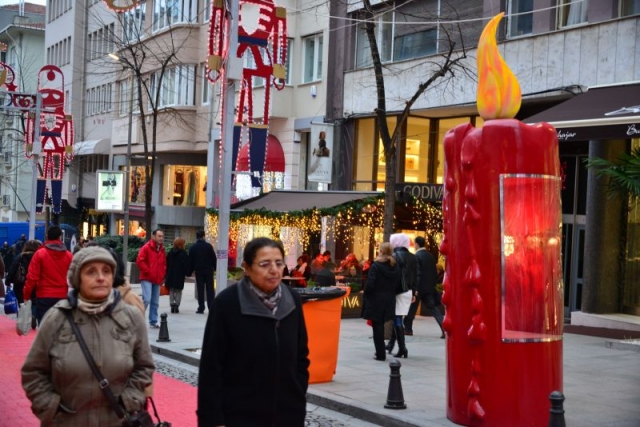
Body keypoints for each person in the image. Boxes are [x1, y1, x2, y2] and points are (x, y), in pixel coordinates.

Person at [21, 246, 154, 425]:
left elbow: (144, 366)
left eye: (106, 271)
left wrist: (130, 400)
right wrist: (51, 408)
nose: (100, 277)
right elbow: (33, 371)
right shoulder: (57, 318)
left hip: (117, 421)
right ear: (78, 278)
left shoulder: (130, 317)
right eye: (91, 272)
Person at [197, 237, 309, 426]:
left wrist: (297, 394)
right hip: (240, 415)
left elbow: (301, 355)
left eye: (279, 263)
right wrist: (214, 420)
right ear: (247, 268)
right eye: (264, 264)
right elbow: (211, 368)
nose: (273, 270)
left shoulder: (292, 299)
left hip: (287, 415)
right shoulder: (227, 304)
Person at [24, 225, 73, 325]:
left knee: (44, 327)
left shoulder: (40, 254)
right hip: (62, 295)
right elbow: (74, 277)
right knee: (60, 328)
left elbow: (32, 277)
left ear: (47, 237)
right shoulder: (69, 255)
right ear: (60, 237)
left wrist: (26, 295)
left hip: (44, 295)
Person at [362, 242, 400, 361]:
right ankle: (382, 351)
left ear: (382, 251)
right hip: (389, 299)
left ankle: (380, 353)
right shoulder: (395, 266)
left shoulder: (376, 265)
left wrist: (367, 293)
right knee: (384, 323)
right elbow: (398, 284)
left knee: (377, 326)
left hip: (376, 299)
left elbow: (370, 283)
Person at [404, 236, 445, 339]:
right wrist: (432, 285)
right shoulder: (430, 256)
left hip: (419, 288)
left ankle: (408, 329)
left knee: (412, 309)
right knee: (433, 309)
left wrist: (415, 289)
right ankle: (444, 327)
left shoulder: (417, 256)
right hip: (428, 288)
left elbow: (417, 274)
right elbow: (434, 273)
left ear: (417, 244)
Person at [387, 233, 417, 358]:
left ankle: (402, 348)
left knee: (397, 318)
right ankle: (392, 344)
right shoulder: (413, 257)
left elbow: (393, 275)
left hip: (398, 291)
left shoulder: (395, 256)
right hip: (408, 290)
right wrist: (414, 292)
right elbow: (416, 276)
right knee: (397, 317)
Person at [136, 228, 167, 328]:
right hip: (147, 278)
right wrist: (148, 271)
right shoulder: (146, 247)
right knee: (147, 299)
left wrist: (162, 275)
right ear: (153, 236)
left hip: (157, 279)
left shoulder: (162, 249)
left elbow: (163, 264)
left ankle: (153, 321)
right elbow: (140, 261)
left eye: (162, 236)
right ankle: (137, 319)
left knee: (155, 301)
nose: (161, 238)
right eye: (159, 236)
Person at [6, 239, 42, 305]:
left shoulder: (20, 256)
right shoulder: (40, 257)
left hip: (20, 285)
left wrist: (8, 281)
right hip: (36, 286)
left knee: (22, 305)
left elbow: (12, 270)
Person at [189, 230, 217, 314]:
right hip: (208, 270)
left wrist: (190, 271)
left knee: (200, 289)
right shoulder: (208, 246)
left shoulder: (193, 247)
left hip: (199, 270)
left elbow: (191, 260)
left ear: (196, 237)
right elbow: (213, 258)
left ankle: (201, 307)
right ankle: (211, 306)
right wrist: (215, 268)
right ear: (203, 236)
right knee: (210, 289)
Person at [166, 237, 190, 313]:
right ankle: (176, 305)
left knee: (171, 290)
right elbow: (186, 265)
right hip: (179, 275)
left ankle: (172, 304)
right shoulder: (183, 253)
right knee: (178, 290)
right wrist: (187, 273)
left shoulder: (170, 252)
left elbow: (167, 264)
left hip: (170, 274)